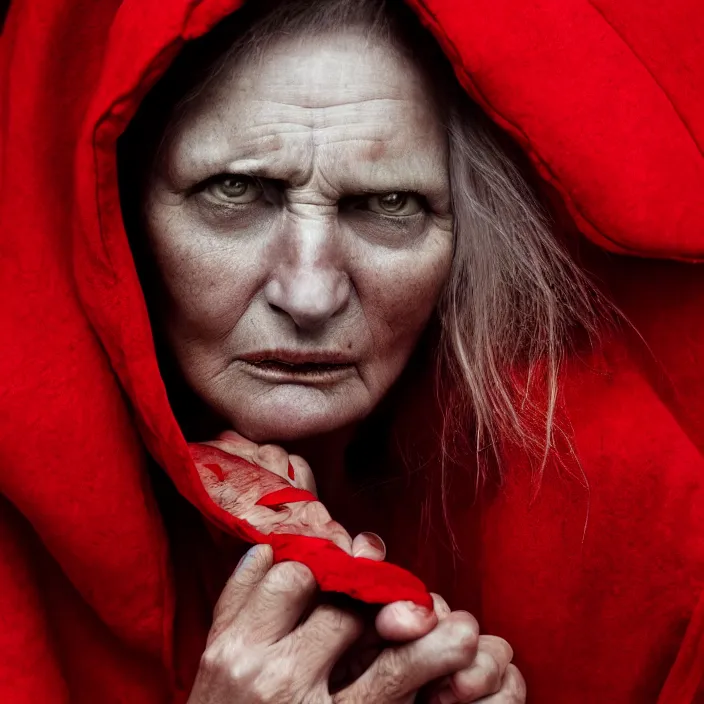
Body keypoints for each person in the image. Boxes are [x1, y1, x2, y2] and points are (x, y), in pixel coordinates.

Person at [1, 0, 703, 702]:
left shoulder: (651, 542)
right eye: (235, 190)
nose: (309, 295)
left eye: (389, 205)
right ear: (117, 212)